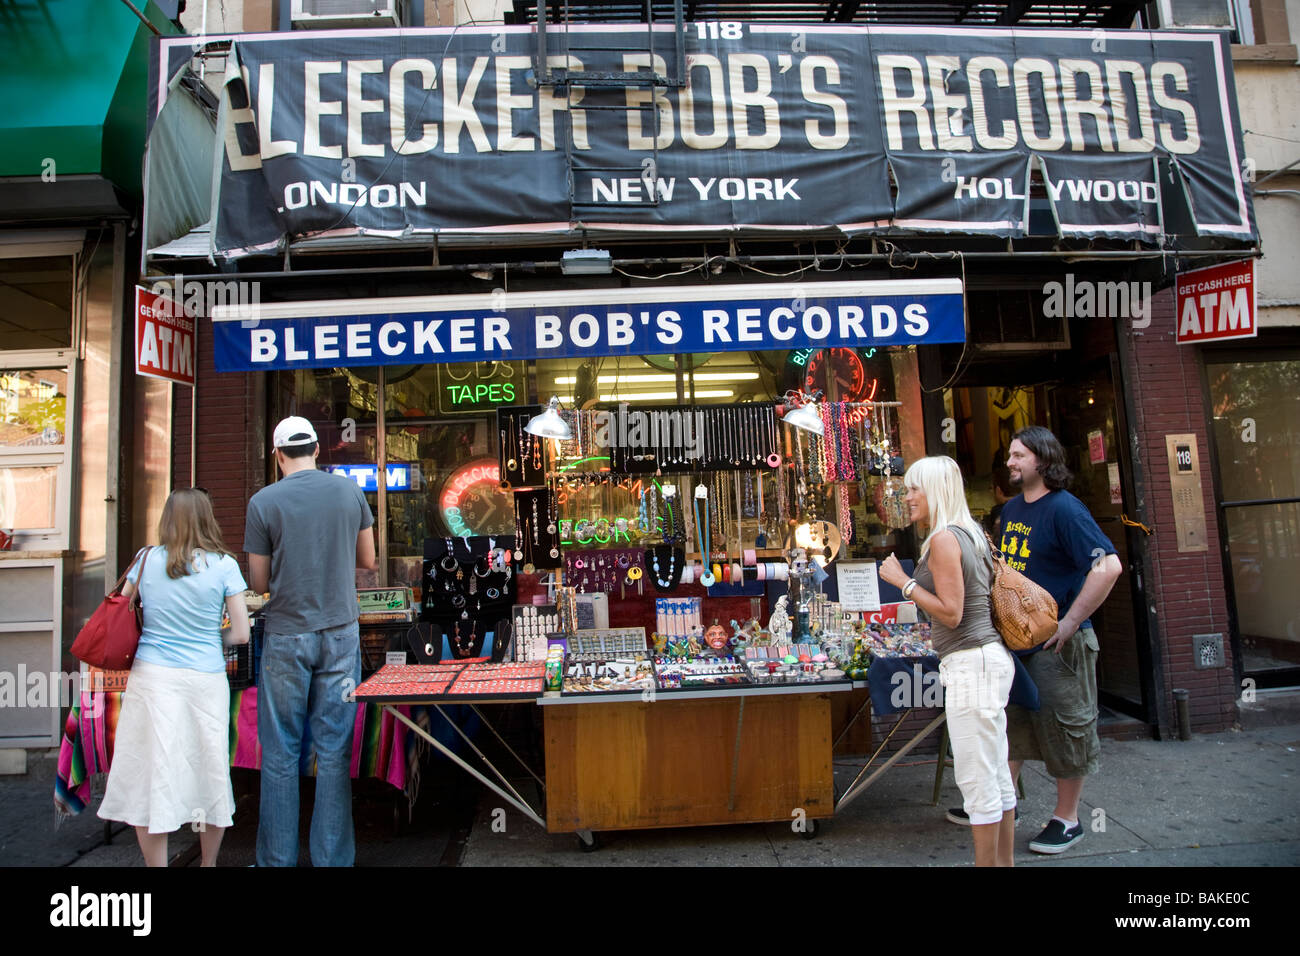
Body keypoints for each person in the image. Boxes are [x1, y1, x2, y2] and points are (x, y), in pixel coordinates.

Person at [245, 416, 375, 867]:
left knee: (280, 752)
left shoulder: (262, 502)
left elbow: (259, 583)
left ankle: (277, 861)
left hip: (285, 634)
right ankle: (333, 859)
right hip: (340, 633)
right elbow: (369, 559)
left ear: (277, 454)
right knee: (334, 750)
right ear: (318, 450)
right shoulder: (349, 491)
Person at [98, 488, 250, 867]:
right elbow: (243, 634)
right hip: (205, 679)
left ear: (167, 518)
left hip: (152, 679)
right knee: (208, 769)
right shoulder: (225, 565)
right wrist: (211, 638)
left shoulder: (146, 559)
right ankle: (208, 864)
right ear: (208, 518)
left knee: (154, 773)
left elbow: (122, 607)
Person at [880, 456, 1017, 867]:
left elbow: (952, 612)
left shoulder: (943, 539)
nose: (908, 498)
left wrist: (903, 583)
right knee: (995, 773)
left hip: (972, 663)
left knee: (977, 779)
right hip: (987, 658)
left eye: (914, 489)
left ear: (936, 490)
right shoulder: (969, 532)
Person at [993, 425, 1121, 854]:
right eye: (1010, 455)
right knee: (1017, 729)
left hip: (1059, 646)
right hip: (1019, 643)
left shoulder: (1066, 510)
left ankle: (1068, 819)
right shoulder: (1010, 510)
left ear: (1043, 461)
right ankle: (999, 805)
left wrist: (1069, 623)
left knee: (1068, 729)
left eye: (1018, 455)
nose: (1010, 462)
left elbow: (1108, 567)